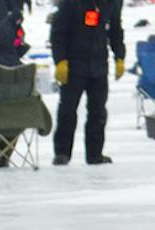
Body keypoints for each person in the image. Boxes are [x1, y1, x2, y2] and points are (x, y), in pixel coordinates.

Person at [48, 0, 122, 166]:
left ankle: (95, 154)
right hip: (74, 67)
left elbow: (116, 30)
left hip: (99, 66)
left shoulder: (112, 4)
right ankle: (62, 153)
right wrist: (60, 60)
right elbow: (58, 33)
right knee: (68, 110)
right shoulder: (71, 3)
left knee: (98, 112)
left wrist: (120, 56)